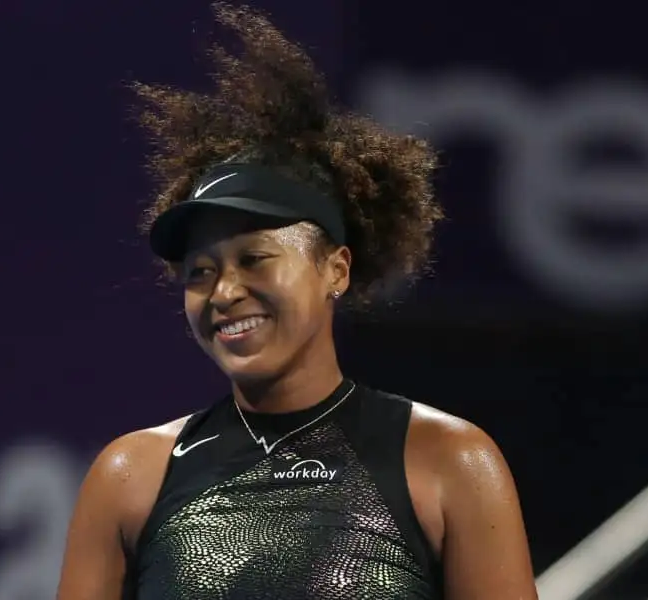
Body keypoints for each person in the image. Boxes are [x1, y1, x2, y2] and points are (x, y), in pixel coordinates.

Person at [56, 3, 537, 599]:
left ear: (335, 269)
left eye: (255, 259)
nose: (224, 292)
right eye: (201, 272)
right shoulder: (130, 476)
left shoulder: (452, 461)